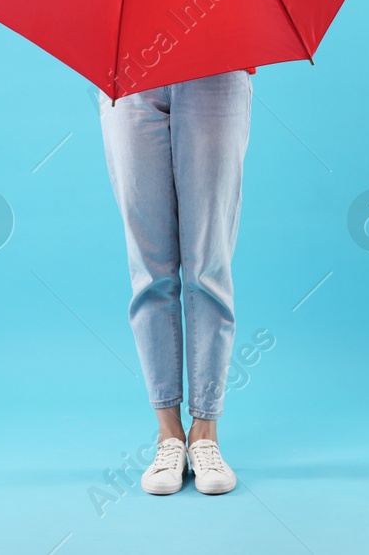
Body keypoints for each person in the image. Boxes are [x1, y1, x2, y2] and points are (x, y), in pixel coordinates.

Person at [97, 68, 253, 496]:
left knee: (207, 267)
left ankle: (205, 433)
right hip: (128, 74)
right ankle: (169, 435)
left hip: (215, 68)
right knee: (150, 270)